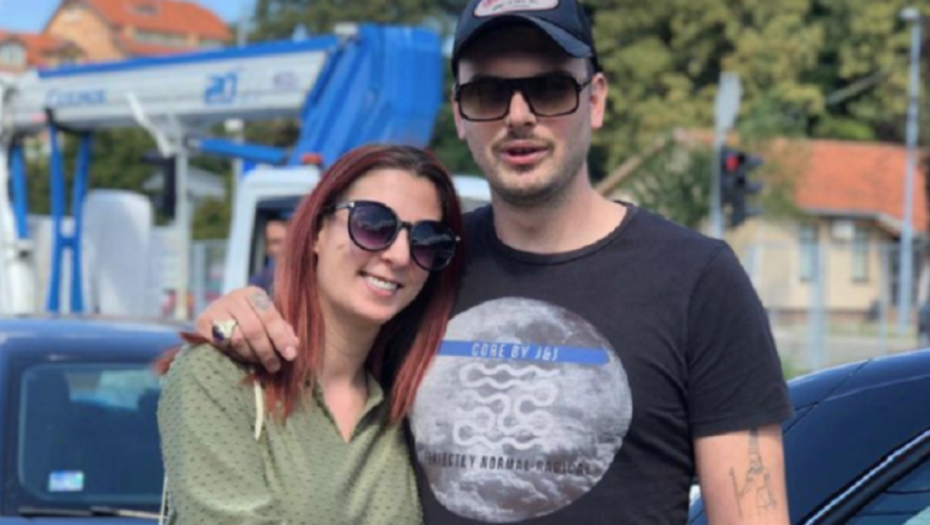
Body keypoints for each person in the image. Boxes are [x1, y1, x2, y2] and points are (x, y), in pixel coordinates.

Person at [195, 1, 794, 523]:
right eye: (487, 93)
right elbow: (304, 347)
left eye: (550, 89)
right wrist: (234, 317)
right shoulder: (424, 262)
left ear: (596, 100)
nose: (518, 115)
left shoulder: (696, 280)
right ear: (459, 114)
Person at [158, 144, 464, 524]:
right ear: (317, 230)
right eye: (373, 224)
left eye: (428, 240)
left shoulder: (411, 401)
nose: (400, 255)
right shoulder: (218, 374)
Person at [248, 214, 289, 295]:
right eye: (277, 242)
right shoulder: (259, 284)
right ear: (267, 249)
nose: (285, 246)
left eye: (288, 240)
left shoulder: (312, 277)